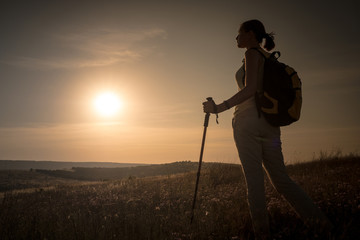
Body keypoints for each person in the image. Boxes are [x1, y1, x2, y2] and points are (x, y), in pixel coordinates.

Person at [203, 19, 332, 240]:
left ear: (250, 34)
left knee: (254, 183)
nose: (236, 38)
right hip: (270, 125)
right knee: (282, 181)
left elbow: (251, 88)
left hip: (247, 122)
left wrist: (218, 108)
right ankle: (323, 226)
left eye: (239, 33)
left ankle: (262, 235)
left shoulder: (251, 53)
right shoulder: (267, 57)